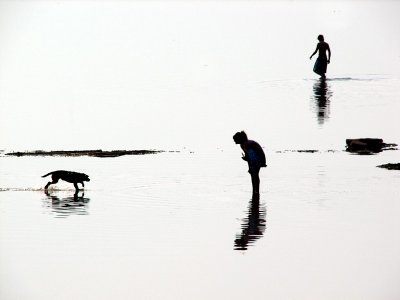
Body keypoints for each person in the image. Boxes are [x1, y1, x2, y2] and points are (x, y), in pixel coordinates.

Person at [233, 131, 266, 197]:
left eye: (235, 140)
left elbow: (252, 155)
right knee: (253, 175)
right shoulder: (242, 145)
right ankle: (255, 190)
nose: (234, 142)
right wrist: (249, 167)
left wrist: (251, 166)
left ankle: (256, 191)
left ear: (239, 139)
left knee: (255, 175)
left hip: (258, 159)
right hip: (254, 160)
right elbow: (248, 156)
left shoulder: (247, 144)